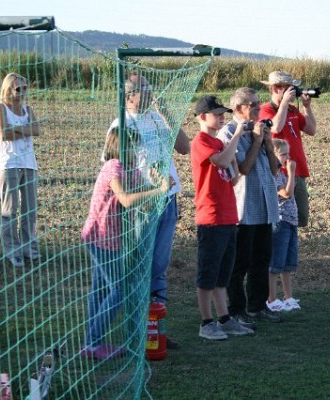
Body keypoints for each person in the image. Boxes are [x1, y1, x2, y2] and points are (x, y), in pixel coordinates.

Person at [106, 71, 190, 349]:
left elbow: (184, 147)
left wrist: (166, 111)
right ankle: (137, 329)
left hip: (168, 199)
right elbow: (113, 168)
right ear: (129, 96)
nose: (152, 94)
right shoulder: (122, 123)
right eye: (145, 90)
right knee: (141, 265)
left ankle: (157, 328)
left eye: (151, 89)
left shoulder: (155, 117)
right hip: (143, 204)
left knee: (159, 266)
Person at [81, 126, 170, 360]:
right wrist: (156, 190)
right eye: (132, 145)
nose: (136, 150)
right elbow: (127, 199)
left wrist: (158, 183)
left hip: (114, 238)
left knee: (101, 289)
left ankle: (91, 342)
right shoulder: (113, 167)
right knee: (119, 289)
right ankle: (93, 342)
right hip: (100, 236)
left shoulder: (130, 168)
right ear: (120, 146)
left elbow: (143, 196)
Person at [191, 95, 254, 340]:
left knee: (222, 274)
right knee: (208, 274)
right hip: (211, 216)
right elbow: (219, 160)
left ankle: (224, 319)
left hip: (228, 215)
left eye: (222, 114)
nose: (221, 117)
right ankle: (207, 323)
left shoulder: (218, 143)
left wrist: (233, 155)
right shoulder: (201, 142)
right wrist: (237, 134)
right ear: (202, 117)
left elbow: (234, 175)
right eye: (217, 114)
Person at [217, 87, 281, 326]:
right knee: (240, 262)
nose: (257, 107)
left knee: (262, 259)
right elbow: (243, 169)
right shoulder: (229, 132)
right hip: (244, 207)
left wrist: (267, 141)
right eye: (253, 104)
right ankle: (236, 309)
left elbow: (274, 170)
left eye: (257, 103)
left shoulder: (259, 129)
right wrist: (255, 141)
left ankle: (257, 305)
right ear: (238, 108)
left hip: (265, 205)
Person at [0, 72, 42, 268]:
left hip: (29, 164)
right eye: (18, 89)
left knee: (30, 209)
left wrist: (17, 130)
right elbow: (3, 134)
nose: (22, 92)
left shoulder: (28, 109)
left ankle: (29, 247)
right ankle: (12, 251)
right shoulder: (1, 108)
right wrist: (25, 129)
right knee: (10, 210)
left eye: (25, 88)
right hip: (9, 164)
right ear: (8, 89)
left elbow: (37, 130)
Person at [259, 71, 317, 228]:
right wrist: (283, 104)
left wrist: (307, 107)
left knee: (300, 218)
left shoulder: (293, 110)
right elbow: (275, 127)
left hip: (297, 169)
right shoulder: (265, 110)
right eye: (287, 88)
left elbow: (311, 130)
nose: (291, 91)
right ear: (275, 89)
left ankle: (292, 248)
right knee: (283, 217)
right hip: (279, 172)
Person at [266, 139, 301, 312]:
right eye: (283, 154)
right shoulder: (274, 175)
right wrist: (292, 173)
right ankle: (271, 298)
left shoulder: (282, 173)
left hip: (291, 220)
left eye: (288, 153)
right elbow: (286, 193)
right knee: (276, 263)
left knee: (288, 263)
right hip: (280, 221)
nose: (288, 157)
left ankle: (288, 297)